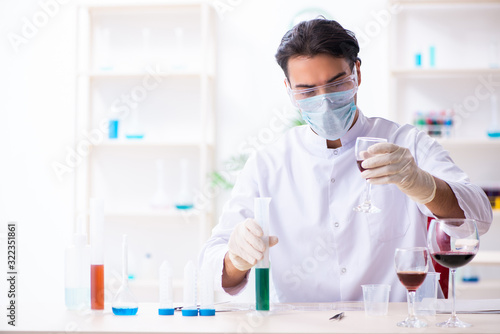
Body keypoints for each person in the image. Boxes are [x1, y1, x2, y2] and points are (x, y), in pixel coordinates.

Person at [199, 18, 492, 302]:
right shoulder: (268, 164)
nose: (324, 100)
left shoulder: (406, 143)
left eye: (337, 84)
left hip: (398, 323)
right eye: (307, 91)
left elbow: (480, 216)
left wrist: (421, 184)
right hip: (303, 327)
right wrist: (236, 258)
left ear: (357, 74)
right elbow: (213, 265)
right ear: (289, 90)